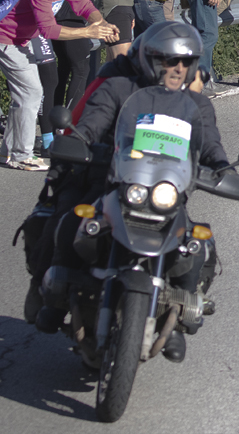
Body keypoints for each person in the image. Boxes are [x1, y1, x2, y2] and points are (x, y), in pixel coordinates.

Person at [30, 21, 228, 362]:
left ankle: (178, 316)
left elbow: (210, 143)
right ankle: (52, 296)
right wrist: (77, 143)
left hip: (166, 193)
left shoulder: (197, 105)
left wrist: (224, 167)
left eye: (185, 62)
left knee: (198, 246)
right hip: (113, 182)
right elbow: (91, 124)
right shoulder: (119, 87)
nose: (178, 69)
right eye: (169, 61)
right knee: (67, 220)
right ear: (150, 59)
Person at [0, 0, 119, 171]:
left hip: (22, 38)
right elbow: (48, 30)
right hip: (7, 37)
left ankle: (10, 148)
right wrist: (88, 31)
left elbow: (84, 5)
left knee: (25, 94)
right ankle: (21, 155)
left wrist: (103, 24)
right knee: (32, 92)